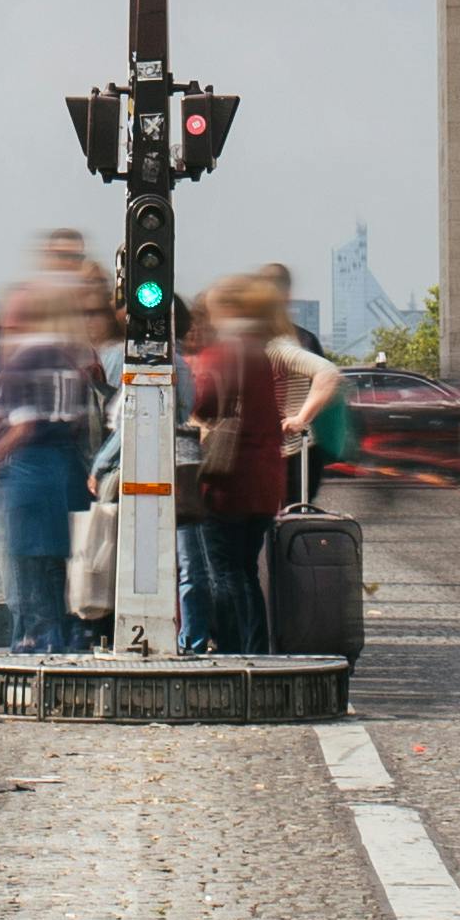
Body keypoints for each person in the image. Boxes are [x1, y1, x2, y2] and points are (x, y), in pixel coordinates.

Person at [181, 266, 303, 655]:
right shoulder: (261, 351)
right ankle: (254, 648)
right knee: (247, 571)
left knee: (224, 573)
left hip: (228, 480)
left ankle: (233, 651)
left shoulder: (222, 354)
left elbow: (204, 405)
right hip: (266, 480)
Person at [0, 267, 98, 655]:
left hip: (30, 472)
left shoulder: (23, 360)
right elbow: (83, 422)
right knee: (62, 567)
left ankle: (35, 645)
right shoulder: (69, 361)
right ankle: (69, 641)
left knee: (29, 569)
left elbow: (24, 425)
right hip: (68, 471)